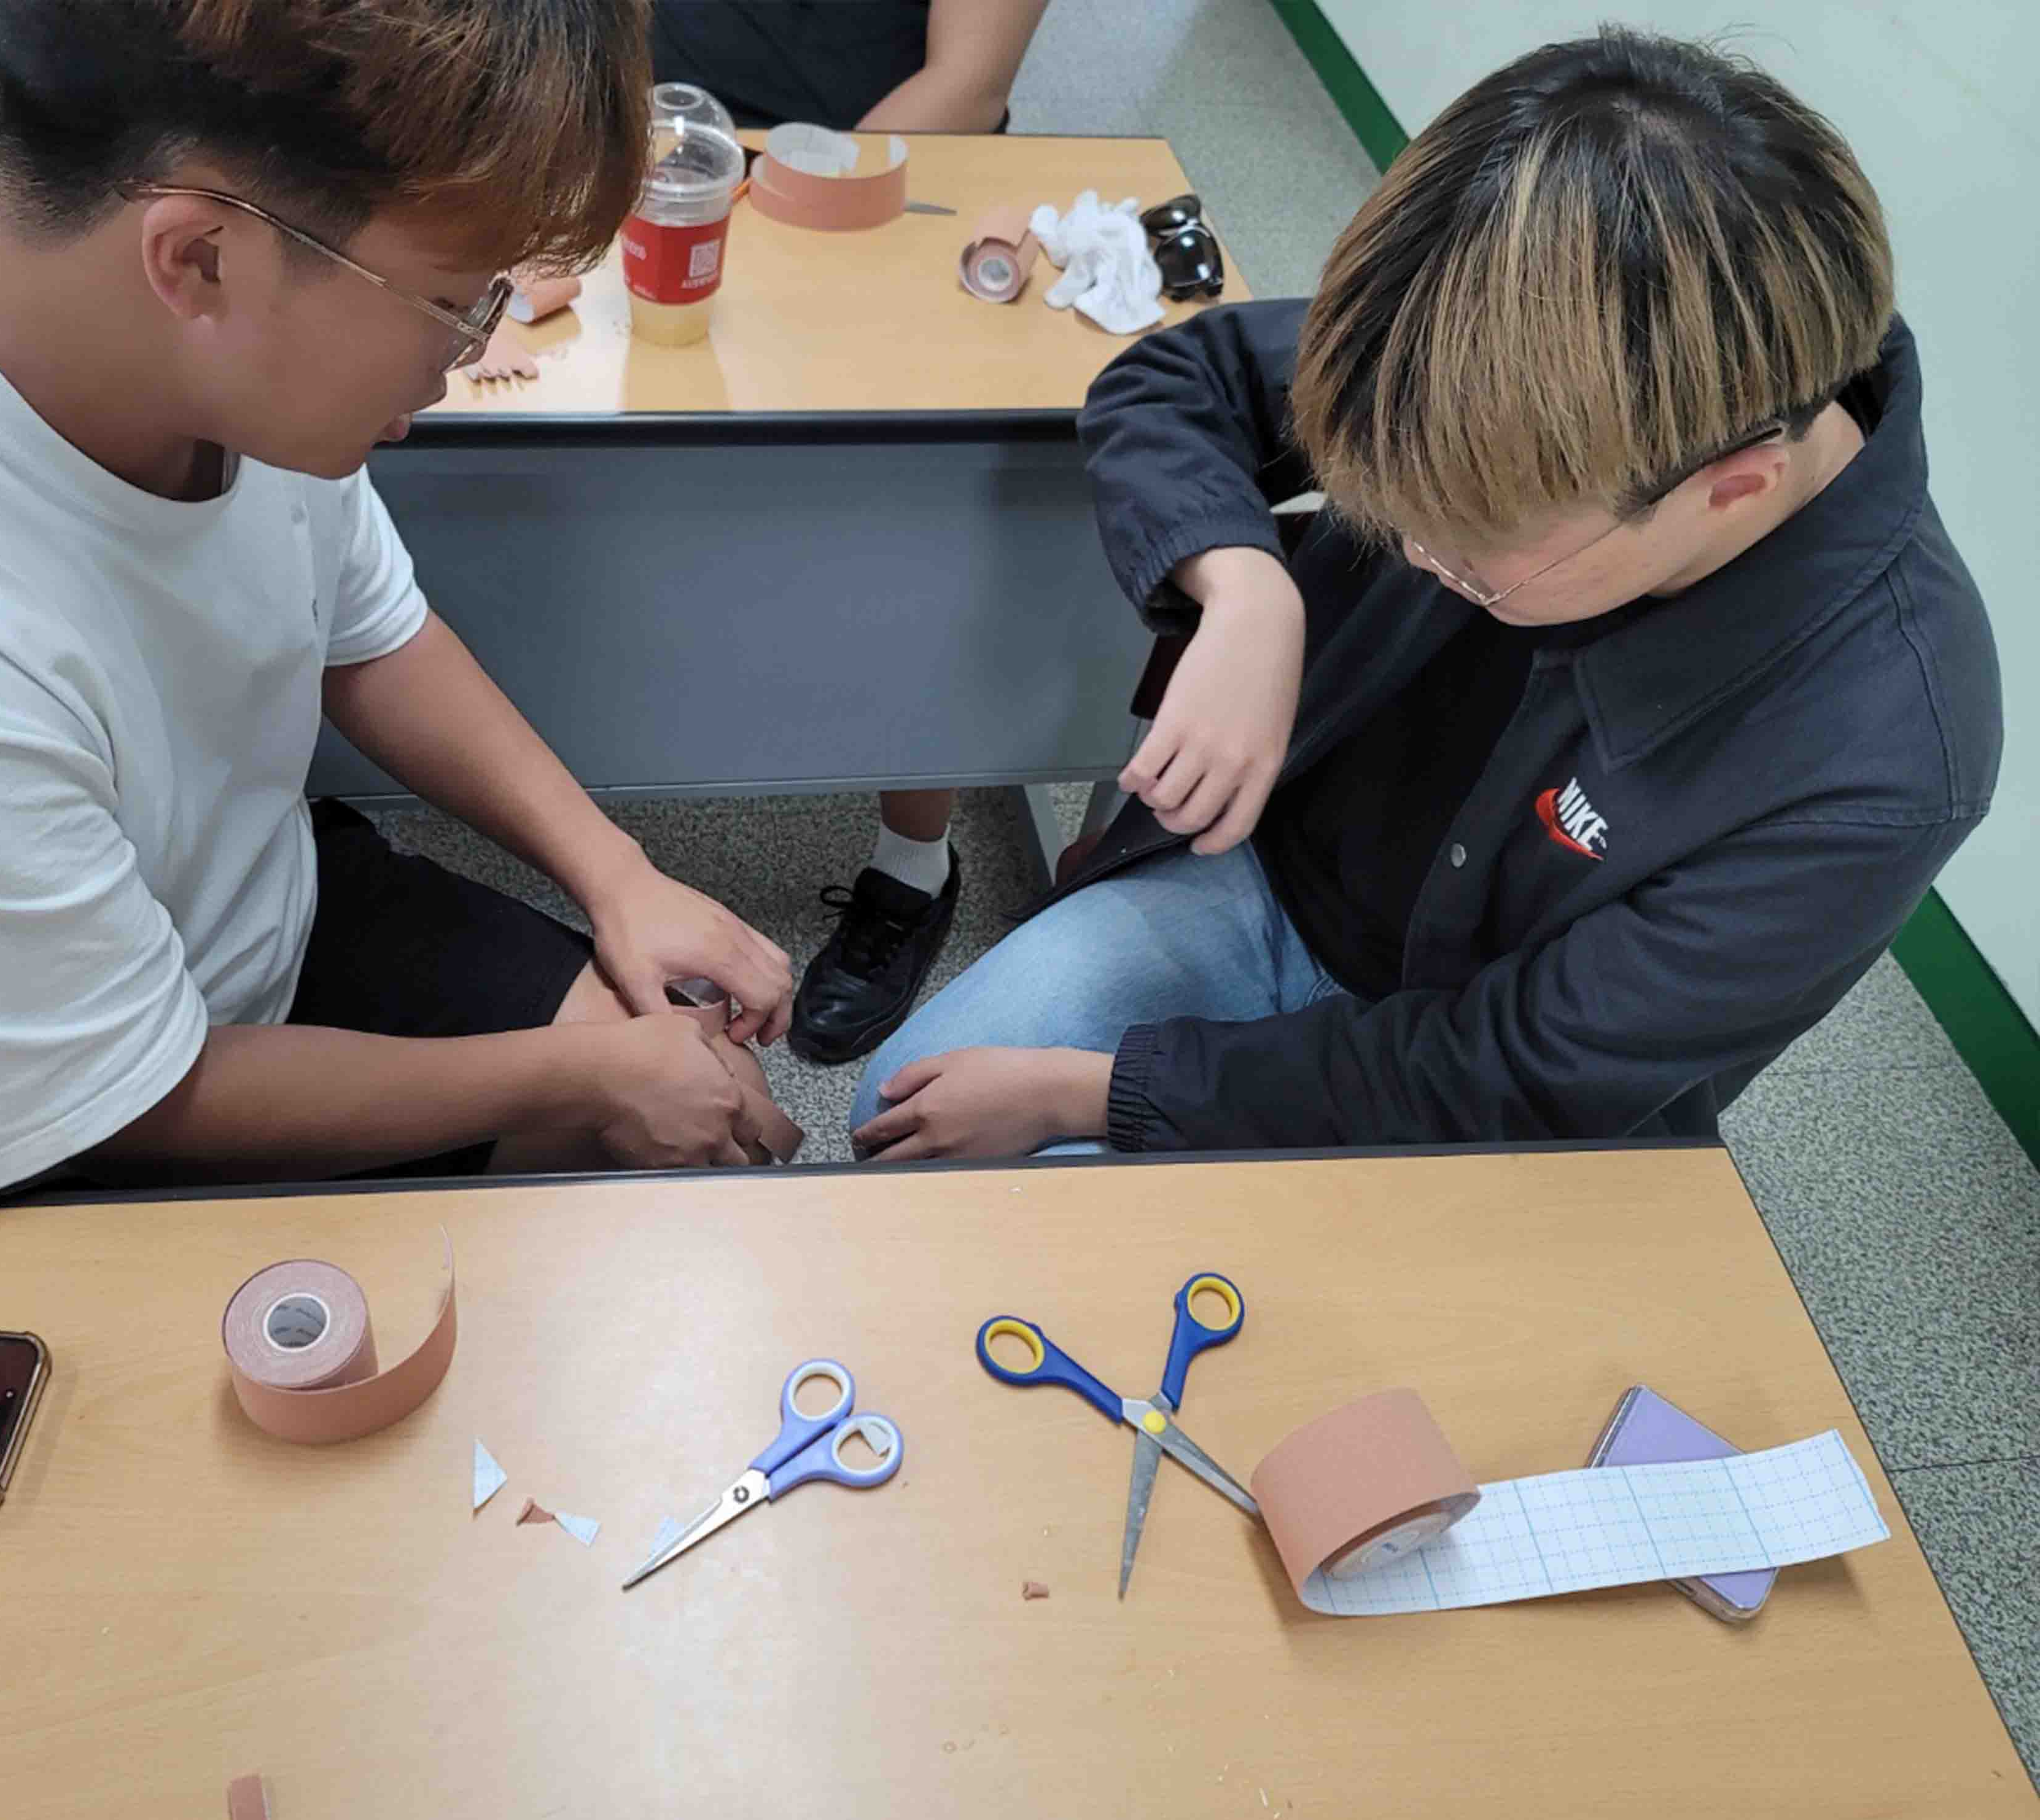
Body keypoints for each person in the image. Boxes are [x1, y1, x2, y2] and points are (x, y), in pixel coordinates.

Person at [0, 0, 800, 1210]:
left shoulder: (167, 321)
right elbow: (118, 1103)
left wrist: (619, 877)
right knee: (613, 1132)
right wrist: (582, 1072)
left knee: (676, 1120)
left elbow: (367, 630)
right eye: (455, 300)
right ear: (200, 258)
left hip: (223, 923)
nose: (470, 350)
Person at [849, 28, 2001, 1163]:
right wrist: (1248, 588)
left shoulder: (1883, 756)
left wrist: (1103, 1097)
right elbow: (1182, 376)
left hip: (1468, 1087)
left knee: (1059, 1234)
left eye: (1463, 557)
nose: (1411, 553)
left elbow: (1510, 1079)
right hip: (1259, 880)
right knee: (898, 1132)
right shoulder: (1531, 333)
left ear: (1735, 488)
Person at [653, 0, 1051, 1065]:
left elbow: (967, 82)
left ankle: (914, 869)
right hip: (670, 152)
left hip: (883, 178)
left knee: (921, 525)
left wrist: (771, 210)